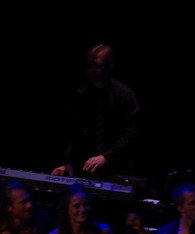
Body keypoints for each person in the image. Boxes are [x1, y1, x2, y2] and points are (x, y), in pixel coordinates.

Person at [51, 44, 139, 179]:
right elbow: (73, 132)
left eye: (97, 65)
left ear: (109, 67)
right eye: (89, 65)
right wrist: (68, 162)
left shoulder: (124, 95)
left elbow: (132, 132)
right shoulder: (81, 94)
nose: (92, 70)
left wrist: (106, 156)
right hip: (86, 167)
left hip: (117, 167)